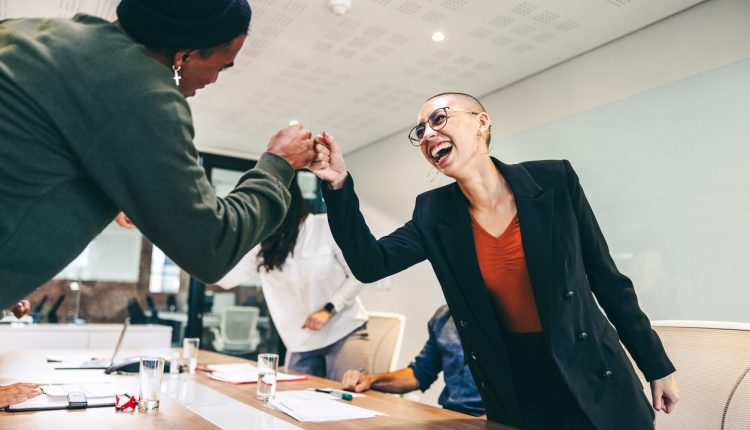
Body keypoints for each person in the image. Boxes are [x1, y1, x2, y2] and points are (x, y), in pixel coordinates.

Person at [310, 93, 680, 429]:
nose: (426, 135)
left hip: (592, 370)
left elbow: (607, 279)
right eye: (420, 130)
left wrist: (656, 364)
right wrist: (338, 185)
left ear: (481, 123)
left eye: (439, 119)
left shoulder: (555, 181)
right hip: (517, 386)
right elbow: (370, 263)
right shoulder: (434, 214)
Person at [0, 0, 320, 309]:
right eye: (221, 67)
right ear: (184, 56)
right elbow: (211, 247)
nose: (214, 80)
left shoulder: (24, 33)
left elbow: (30, 158)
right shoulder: (143, 94)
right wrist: (279, 164)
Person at [217, 174, 369, 381]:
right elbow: (223, 279)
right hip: (300, 342)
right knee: (293, 404)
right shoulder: (264, 245)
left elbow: (362, 272)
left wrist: (330, 309)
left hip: (343, 331)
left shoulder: (325, 226)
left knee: (347, 402)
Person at [341, 305, 484, 417]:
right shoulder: (443, 317)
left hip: (491, 421)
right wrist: (370, 380)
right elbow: (419, 373)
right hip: (451, 415)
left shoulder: (504, 318)